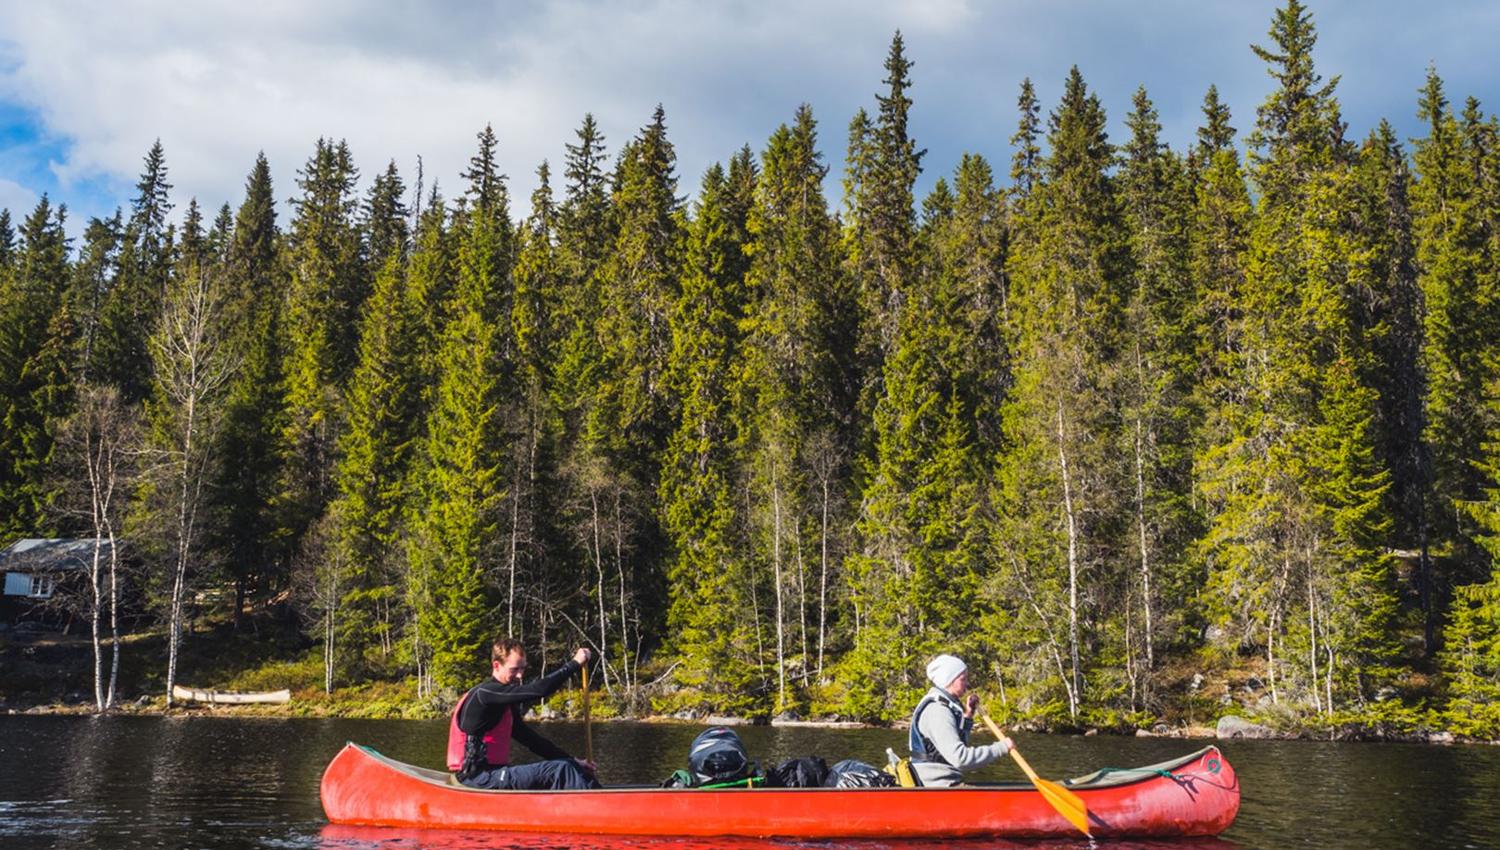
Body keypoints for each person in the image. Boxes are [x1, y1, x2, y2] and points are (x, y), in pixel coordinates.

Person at [447, 637, 600, 790]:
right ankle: (599, 807)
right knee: (561, 770)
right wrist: (574, 664)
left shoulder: (502, 702)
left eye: (523, 669)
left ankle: (602, 799)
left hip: (492, 775)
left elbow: (531, 740)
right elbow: (540, 690)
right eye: (514, 669)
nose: (520, 676)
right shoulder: (485, 694)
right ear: (496, 665)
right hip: (477, 777)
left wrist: (573, 760)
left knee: (569, 766)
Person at [908, 653, 1013, 787]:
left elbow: (957, 745)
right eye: (963, 679)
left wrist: (968, 716)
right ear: (949, 680)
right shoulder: (937, 710)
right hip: (935, 784)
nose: (967, 683)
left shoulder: (944, 705)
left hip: (944, 781)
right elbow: (961, 758)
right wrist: (1001, 748)